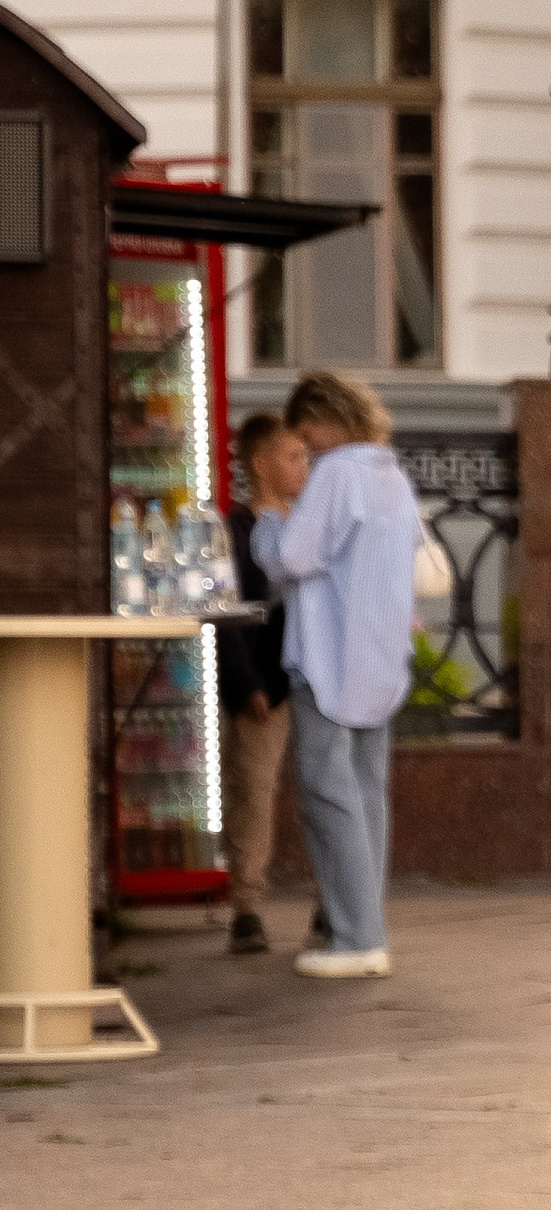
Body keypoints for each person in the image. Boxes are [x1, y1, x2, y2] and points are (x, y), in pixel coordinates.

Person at [251, 367, 427, 981]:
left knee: (328, 795)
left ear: (324, 419)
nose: (306, 449)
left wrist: (268, 522)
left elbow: (292, 558)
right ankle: (363, 925)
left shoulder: (335, 474)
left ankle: (357, 936)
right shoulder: (392, 476)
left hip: (328, 656)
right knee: (367, 796)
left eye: (305, 435)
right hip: (380, 658)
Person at [216, 410, 306, 958]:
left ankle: (332, 906)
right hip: (264, 687)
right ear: (261, 464)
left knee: (326, 796)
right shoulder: (238, 529)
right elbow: (227, 611)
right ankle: (246, 906)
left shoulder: (309, 523)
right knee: (253, 794)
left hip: (315, 681)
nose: (303, 467)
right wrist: (246, 682)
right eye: (293, 457)